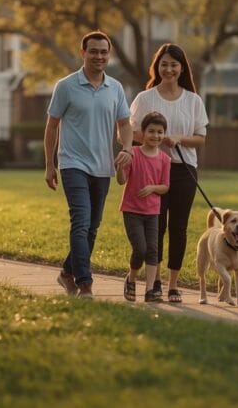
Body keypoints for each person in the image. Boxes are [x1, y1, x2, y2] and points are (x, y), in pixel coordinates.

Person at [44, 31, 134, 299]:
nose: (99, 56)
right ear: (83, 53)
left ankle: (66, 273)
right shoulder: (66, 86)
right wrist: (50, 164)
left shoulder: (115, 88)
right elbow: (52, 126)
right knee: (81, 222)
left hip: (102, 167)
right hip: (72, 164)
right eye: (93, 51)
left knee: (92, 227)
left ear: (110, 54)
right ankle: (85, 283)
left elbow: (125, 125)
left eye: (104, 52)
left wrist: (127, 149)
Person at [129, 43, 209, 303]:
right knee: (156, 228)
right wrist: (156, 139)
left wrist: (177, 139)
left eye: (174, 64)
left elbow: (200, 138)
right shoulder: (145, 98)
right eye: (164, 64)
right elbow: (132, 133)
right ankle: (155, 283)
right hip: (152, 170)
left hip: (184, 170)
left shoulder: (193, 100)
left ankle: (174, 283)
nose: (169, 69)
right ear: (157, 67)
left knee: (179, 227)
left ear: (181, 68)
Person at [116, 111, 171, 303]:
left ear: (164, 134)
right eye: (151, 131)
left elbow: (165, 187)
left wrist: (152, 188)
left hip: (152, 212)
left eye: (160, 132)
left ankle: (149, 290)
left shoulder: (165, 159)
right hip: (132, 210)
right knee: (140, 248)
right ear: (142, 132)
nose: (155, 136)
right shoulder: (134, 154)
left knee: (153, 250)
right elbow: (121, 181)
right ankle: (131, 279)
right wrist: (118, 167)